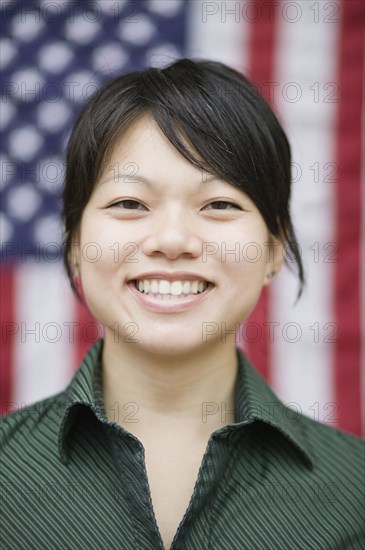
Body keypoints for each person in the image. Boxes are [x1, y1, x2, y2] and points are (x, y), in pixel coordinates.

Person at [1, 58, 364, 550]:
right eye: (129, 203)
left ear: (275, 250)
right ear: (74, 244)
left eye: (219, 204)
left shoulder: (353, 492)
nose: (172, 240)